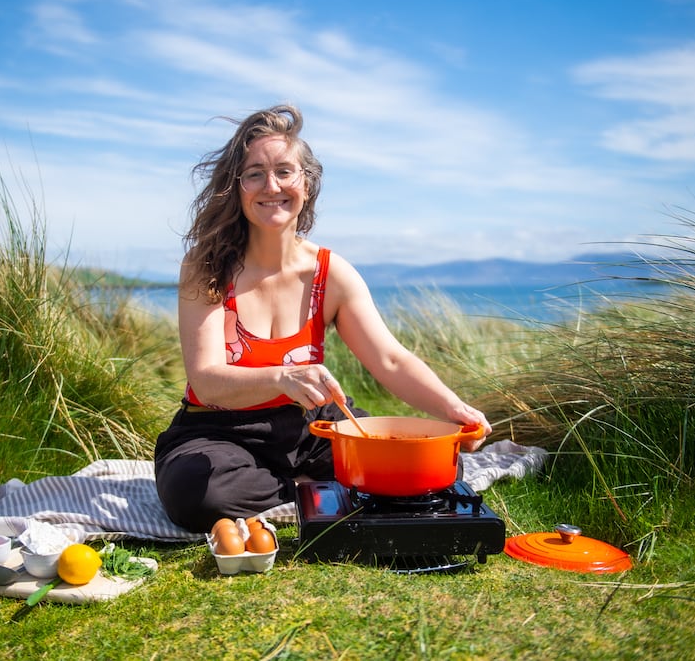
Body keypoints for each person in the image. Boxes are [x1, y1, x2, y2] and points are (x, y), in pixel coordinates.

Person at [154, 105, 491, 533]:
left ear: (307, 184)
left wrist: (454, 409)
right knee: (199, 496)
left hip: (313, 426)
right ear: (235, 188)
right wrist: (282, 378)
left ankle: (306, 484)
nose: (270, 185)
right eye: (254, 173)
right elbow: (205, 380)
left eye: (284, 171)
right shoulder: (207, 267)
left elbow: (390, 360)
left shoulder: (330, 273)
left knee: (434, 469)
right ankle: (320, 488)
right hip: (220, 432)